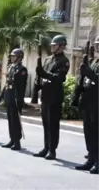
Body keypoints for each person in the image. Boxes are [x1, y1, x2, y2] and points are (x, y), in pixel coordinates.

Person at [33, 35, 69, 160]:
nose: (52, 47)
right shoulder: (48, 59)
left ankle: (52, 150)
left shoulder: (64, 61)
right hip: (46, 95)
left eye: (55, 45)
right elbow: (41, 75)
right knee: (45, 123)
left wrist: (44, 73)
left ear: (62, 46)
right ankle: (46, 147)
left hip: (55, 96)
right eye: (52, 45)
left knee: (53, 124)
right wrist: (37, 84)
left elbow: (58, 78)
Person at [74, 36, 99, 174]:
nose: (97, 47)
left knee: (96, 133)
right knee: (88, 132)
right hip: (88, 101)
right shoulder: (94, 61)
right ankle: (90, 159)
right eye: (96, 45)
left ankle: (98, 162)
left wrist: (88, 72)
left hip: (97, 103)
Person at [0, 48, 27, 150]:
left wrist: (19, 98)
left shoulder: (22, 69)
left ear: (19, 57)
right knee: (10, 119)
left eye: (14, 56)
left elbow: (21, 84)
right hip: (9, 96)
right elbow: (7, 82)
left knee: (16, 120)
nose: (12, 58)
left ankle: (17, 142)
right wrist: (2, 95)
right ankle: (12, 139)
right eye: (12, 56)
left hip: (16, 97)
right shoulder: (10, 67)